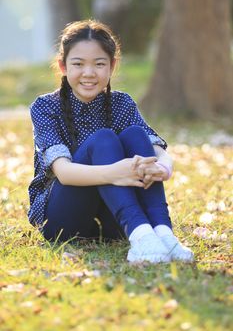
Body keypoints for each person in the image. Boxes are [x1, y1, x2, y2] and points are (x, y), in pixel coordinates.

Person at [28, 19, 194, 264]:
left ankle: (161, 234)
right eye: (78, 64)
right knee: (103, 140)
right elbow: (64, 173)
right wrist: (115, 172)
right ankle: (141, 234)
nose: (88, 73)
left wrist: (162, 167)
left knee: (135, 135)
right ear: (63, 66)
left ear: (112, 66)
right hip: (63, 220)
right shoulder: (45, 107)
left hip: (113, 220)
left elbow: (155, 147)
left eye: (99, 64)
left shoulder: (121, 103)